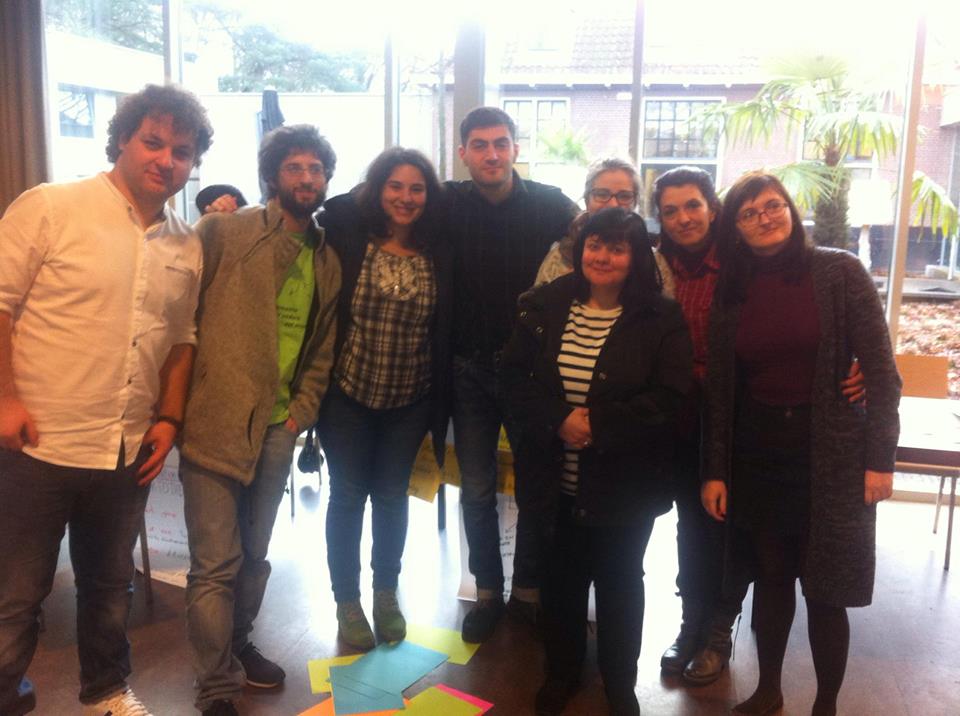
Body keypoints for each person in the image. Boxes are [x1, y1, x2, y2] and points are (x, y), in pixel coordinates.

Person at [0, 83, 212, 716]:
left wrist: (170, 416)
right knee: (16, 594)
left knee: (109, 587)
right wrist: (5, 400)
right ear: (122, 139)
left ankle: (106, 692)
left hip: (125, 448)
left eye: (181, 151)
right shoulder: (51, 207)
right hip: (38, 443)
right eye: (153, 142)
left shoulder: (187, 242)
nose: (166, 160)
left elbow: (182, 338)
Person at [652, 166, 867, 687]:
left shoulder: (742, 263)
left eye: (693, 205)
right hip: (677, 417)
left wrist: (856, 364)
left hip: (741, 418)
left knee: (734, 535)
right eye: (670, 210)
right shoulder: (652, 267)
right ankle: (690, 623)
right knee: (691, 528)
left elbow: (805, 319)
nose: (683, 218)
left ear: (714, 210)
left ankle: (719, 631)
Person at [701, 171, 901, 716]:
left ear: (790, 209)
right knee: (771, 578)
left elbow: (882, 373)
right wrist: (715, 470)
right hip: (759, 454)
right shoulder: (732, 289)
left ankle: (826, 704)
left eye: (773, 205)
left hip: (833, 456)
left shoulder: (839, 272)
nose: (764, 218)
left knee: (826, 588)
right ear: (735, 229)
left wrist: (880, 460)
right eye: (749, 213)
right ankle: (768, 689)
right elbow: (721, 391)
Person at [502, 208, 693, 715]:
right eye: (594, 245)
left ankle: (619, 682)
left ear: (636, 257)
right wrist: (559, 419)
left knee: (620, 584)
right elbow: (513, 379)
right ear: (580, 248)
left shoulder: (661, 317)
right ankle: (561, 672)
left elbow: (671, 395)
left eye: (616, 247)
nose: (602, 256)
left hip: (624, 485)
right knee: (560, 584)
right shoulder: (544, 304)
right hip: (553, 481)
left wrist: (599, 425)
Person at [178, 125, 340, 716]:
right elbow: (180, 307)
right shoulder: (225, 230)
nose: (307, 178)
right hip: (214, 423)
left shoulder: (326, 257)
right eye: (295, 167)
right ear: (272, 175)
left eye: (316, 169)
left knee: (253, 556)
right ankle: (215, 687)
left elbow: (322, 349)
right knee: (214, 565)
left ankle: (239, 644)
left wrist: (301, 412)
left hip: (278, 429)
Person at [446, 106, 578, 642]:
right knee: (476, 489)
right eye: (480, 145)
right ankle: (486, 592)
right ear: (463, 153)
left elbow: (601, 233)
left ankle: (527, 592)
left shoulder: (550, 203)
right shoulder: (447, 202)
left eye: (501, 143)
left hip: (531, 374)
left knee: (535, 487)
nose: (492, 154)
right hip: (469, 370)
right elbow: (378, 202)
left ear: (516, 149)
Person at [314, 147, 453, 650]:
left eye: (417, 188)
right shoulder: (351, 237)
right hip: (347, 394)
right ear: (377, 189)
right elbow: (333, 206)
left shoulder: (438, 250)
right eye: (395, 186)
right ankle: (347, 602)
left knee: (392, 498)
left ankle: (385, 594)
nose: (406, 197)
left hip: (410, 399)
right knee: (348, 496)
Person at [534, 157, 675, 299]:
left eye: (624, 196)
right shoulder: (558, 259)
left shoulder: (654, 262)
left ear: (635, 203)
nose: (613, 204)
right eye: (601, 194)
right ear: (587, 200)